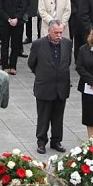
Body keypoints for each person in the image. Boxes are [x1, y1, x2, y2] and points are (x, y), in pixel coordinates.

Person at [28, 20, 71, 155]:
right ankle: (41, 142)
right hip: (45, 86)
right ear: (49, 31)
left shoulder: (67, 43)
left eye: (61, 32)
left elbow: (68, 62)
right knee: (43, 117)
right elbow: (32, 63)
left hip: (61, 87)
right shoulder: (38, 44)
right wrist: (43, 74)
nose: (59, 35)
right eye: (56, 32)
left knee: (58, 117)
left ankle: (56, 141)